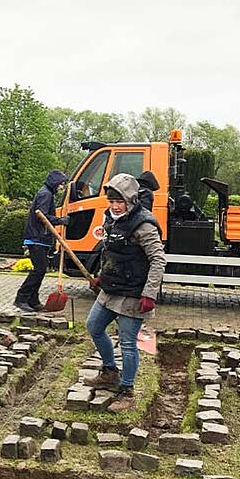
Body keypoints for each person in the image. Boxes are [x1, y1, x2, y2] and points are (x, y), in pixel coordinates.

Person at [84, 173, 166, 412]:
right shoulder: (110, 219)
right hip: (111, 288)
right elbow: (108, 251)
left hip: (133, 291)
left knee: (128, 343)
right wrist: (102, 274)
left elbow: (158, 260)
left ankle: (126, 390)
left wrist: (149, 294)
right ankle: (110, 371)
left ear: (130, 200)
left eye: (119, 201)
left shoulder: (144, 224)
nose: (115, 206)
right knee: (94, 326)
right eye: (111, 201)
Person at [15, 170, 69, 312]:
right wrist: (60, 221)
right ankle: (21, 298)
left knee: (41, 269)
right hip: (36, 238)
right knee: (39, 269)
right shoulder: (45, 194)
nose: (61, 187)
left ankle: (33, 300)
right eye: (60, 184)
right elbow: (42, 216)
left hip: (41, 238)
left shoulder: (47, 194)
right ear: (54, 183)